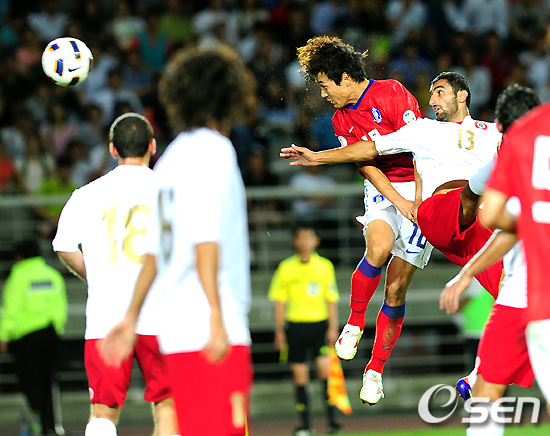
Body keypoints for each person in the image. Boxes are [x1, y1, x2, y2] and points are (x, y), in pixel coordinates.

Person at [99, 45, 253, 436]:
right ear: (227, 94)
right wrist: (216, 314)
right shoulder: (215, 150)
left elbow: (153, 251)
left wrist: (131, 317)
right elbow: (205, 237)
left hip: (176, 330)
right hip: (211, 325)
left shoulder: (170, 159)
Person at [281, 72, 505, 301]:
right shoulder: (422, 129)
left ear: (462, 96)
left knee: (508, 286)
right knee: (476, 192)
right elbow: (368, 148)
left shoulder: (492, 132)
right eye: (431, 95)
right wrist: (317, 157)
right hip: (438, 213)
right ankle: (479, 185)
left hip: (475, 224)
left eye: (439, 93)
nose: (432, 101)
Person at [295, 35, 433, 406]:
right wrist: (399, 202)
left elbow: (421, 150)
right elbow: (366, 163)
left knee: (396, 289)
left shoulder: (391, 93)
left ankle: (374, 371)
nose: (323, 94)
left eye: (324, 85)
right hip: (384, 185)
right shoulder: (341, 118)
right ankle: (355, 322)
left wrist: (418, 201)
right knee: (379, 246)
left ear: (343, 77)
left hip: (422, 184)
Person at [52, 113, 179, 436]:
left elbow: (63, 245)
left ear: (112, 149)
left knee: (103, 411)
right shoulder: (170, 191)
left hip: (105, 318)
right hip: (161, 315)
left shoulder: (86, 194)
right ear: (152, 146)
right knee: (168, 405)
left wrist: (93, 276)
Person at [481, 101, 550, 413]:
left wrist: (527, 223)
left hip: (533, 295)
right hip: (524, 292)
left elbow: (490, 214)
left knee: (486, 390)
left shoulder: (524, 136)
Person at [268, 225, 340, 436]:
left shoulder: (325, 266)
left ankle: (332, 423)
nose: (306, 241)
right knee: (300, 377)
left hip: (319, 325)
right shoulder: (285, 267)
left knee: (325, 373)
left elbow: (331, 299)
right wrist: (279, 330)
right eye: (302, 237)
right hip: (295, 326)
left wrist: (333, 327)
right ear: (295, 241)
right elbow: (280, 301)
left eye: (310, 237)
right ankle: (306, 425)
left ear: (316, 241)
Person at [0, 240, 67, 436]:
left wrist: (4, 336)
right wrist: (56, 327)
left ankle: (38, 420)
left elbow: (11, 310)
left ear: (19, 257)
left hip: (25, 338)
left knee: (30, 382)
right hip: (49, 333)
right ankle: (50, 425)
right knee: (49, 382)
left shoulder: (18, 278)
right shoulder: (52, 275)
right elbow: (60, 305)